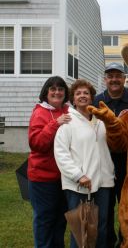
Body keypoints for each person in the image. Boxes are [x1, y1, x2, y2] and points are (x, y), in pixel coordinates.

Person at [54, 79, 115, 248]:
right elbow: (61, 153)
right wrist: (78, 175)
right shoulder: (67, 123)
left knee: (101, 226)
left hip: (103, 182)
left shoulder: (101, 122)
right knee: (80, 229)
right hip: (80, 184)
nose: (82, 96)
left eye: (86, 93)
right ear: (73, 99)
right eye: (78, 93)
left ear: (91, 98)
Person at [92, 62, 128, 247]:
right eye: (110, 76)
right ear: (105, 79)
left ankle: (126, 241)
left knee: (127, 207)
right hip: (103, 162)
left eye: (118, 75)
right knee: (105, 208)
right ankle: (108, 242)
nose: (114, 79)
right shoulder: (96, 100)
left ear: (124, 78)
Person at [27, 76, 70, 248]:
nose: (57, 92)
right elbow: (37, 144)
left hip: (64, 178)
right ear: (46, 92)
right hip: (43, 178)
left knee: (60, 220)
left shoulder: (69, 111)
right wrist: (55, 124)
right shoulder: (39, 112)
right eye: (52, 89)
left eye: (60, 88)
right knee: (45, 220)